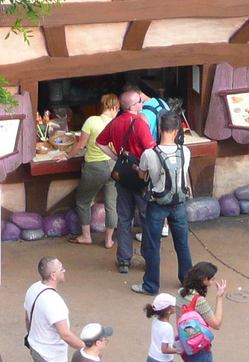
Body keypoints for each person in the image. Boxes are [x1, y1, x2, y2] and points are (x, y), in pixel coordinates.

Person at [95, 90, 156, 275]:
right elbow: (151, 151)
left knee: (124, 219)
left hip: (123, 177)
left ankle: (123, 260)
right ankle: (149, 258)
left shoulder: (115, 122)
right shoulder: (140, 124)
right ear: (133, 106)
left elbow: (100, 142)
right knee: (147, 220)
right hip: (141, 178)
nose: (142, 102)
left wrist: (117, 157)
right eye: (139, 101)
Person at [133, 113, 193, 296]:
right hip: (179, 203)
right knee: (182, 245)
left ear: (159, 130)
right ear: (176, 131)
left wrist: (137, 168)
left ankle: (151, 285)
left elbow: (142, 176)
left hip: (157, 203)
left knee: (153, 245)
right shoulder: (186, 151)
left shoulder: (149, 154)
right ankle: (187, 282)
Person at [71, 93, 119, 248]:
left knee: (83, 200)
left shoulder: (92, 121)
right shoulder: (118, 123)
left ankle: (86, 236)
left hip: (95, 167)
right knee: (111, 203)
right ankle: (109, 240)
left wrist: (66, 156)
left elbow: (80, 146)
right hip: (113, 165)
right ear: (115, 108)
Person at [25, 256, 86, 362]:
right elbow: (65, 334)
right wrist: (87, 349)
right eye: (61, 269)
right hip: (51, 356)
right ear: (53, 276)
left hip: (35, 348)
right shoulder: (54, 301)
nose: (64, 270)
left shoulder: (33, 288)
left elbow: (27, 318)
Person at [175, 263, 227, 362]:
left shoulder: (180, 292)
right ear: (204, 280)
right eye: (212, 279)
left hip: (185, 343)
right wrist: (219, 298)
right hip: (199, 348)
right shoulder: (199, 300)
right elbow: (216, 324)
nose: (213, 282)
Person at [145, 293, 180, 362]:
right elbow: (165, 350)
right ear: (168, 311)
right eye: (173, 305)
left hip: (151, 358)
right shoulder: (168, 328)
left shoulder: (155, 320)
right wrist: (180, 350)